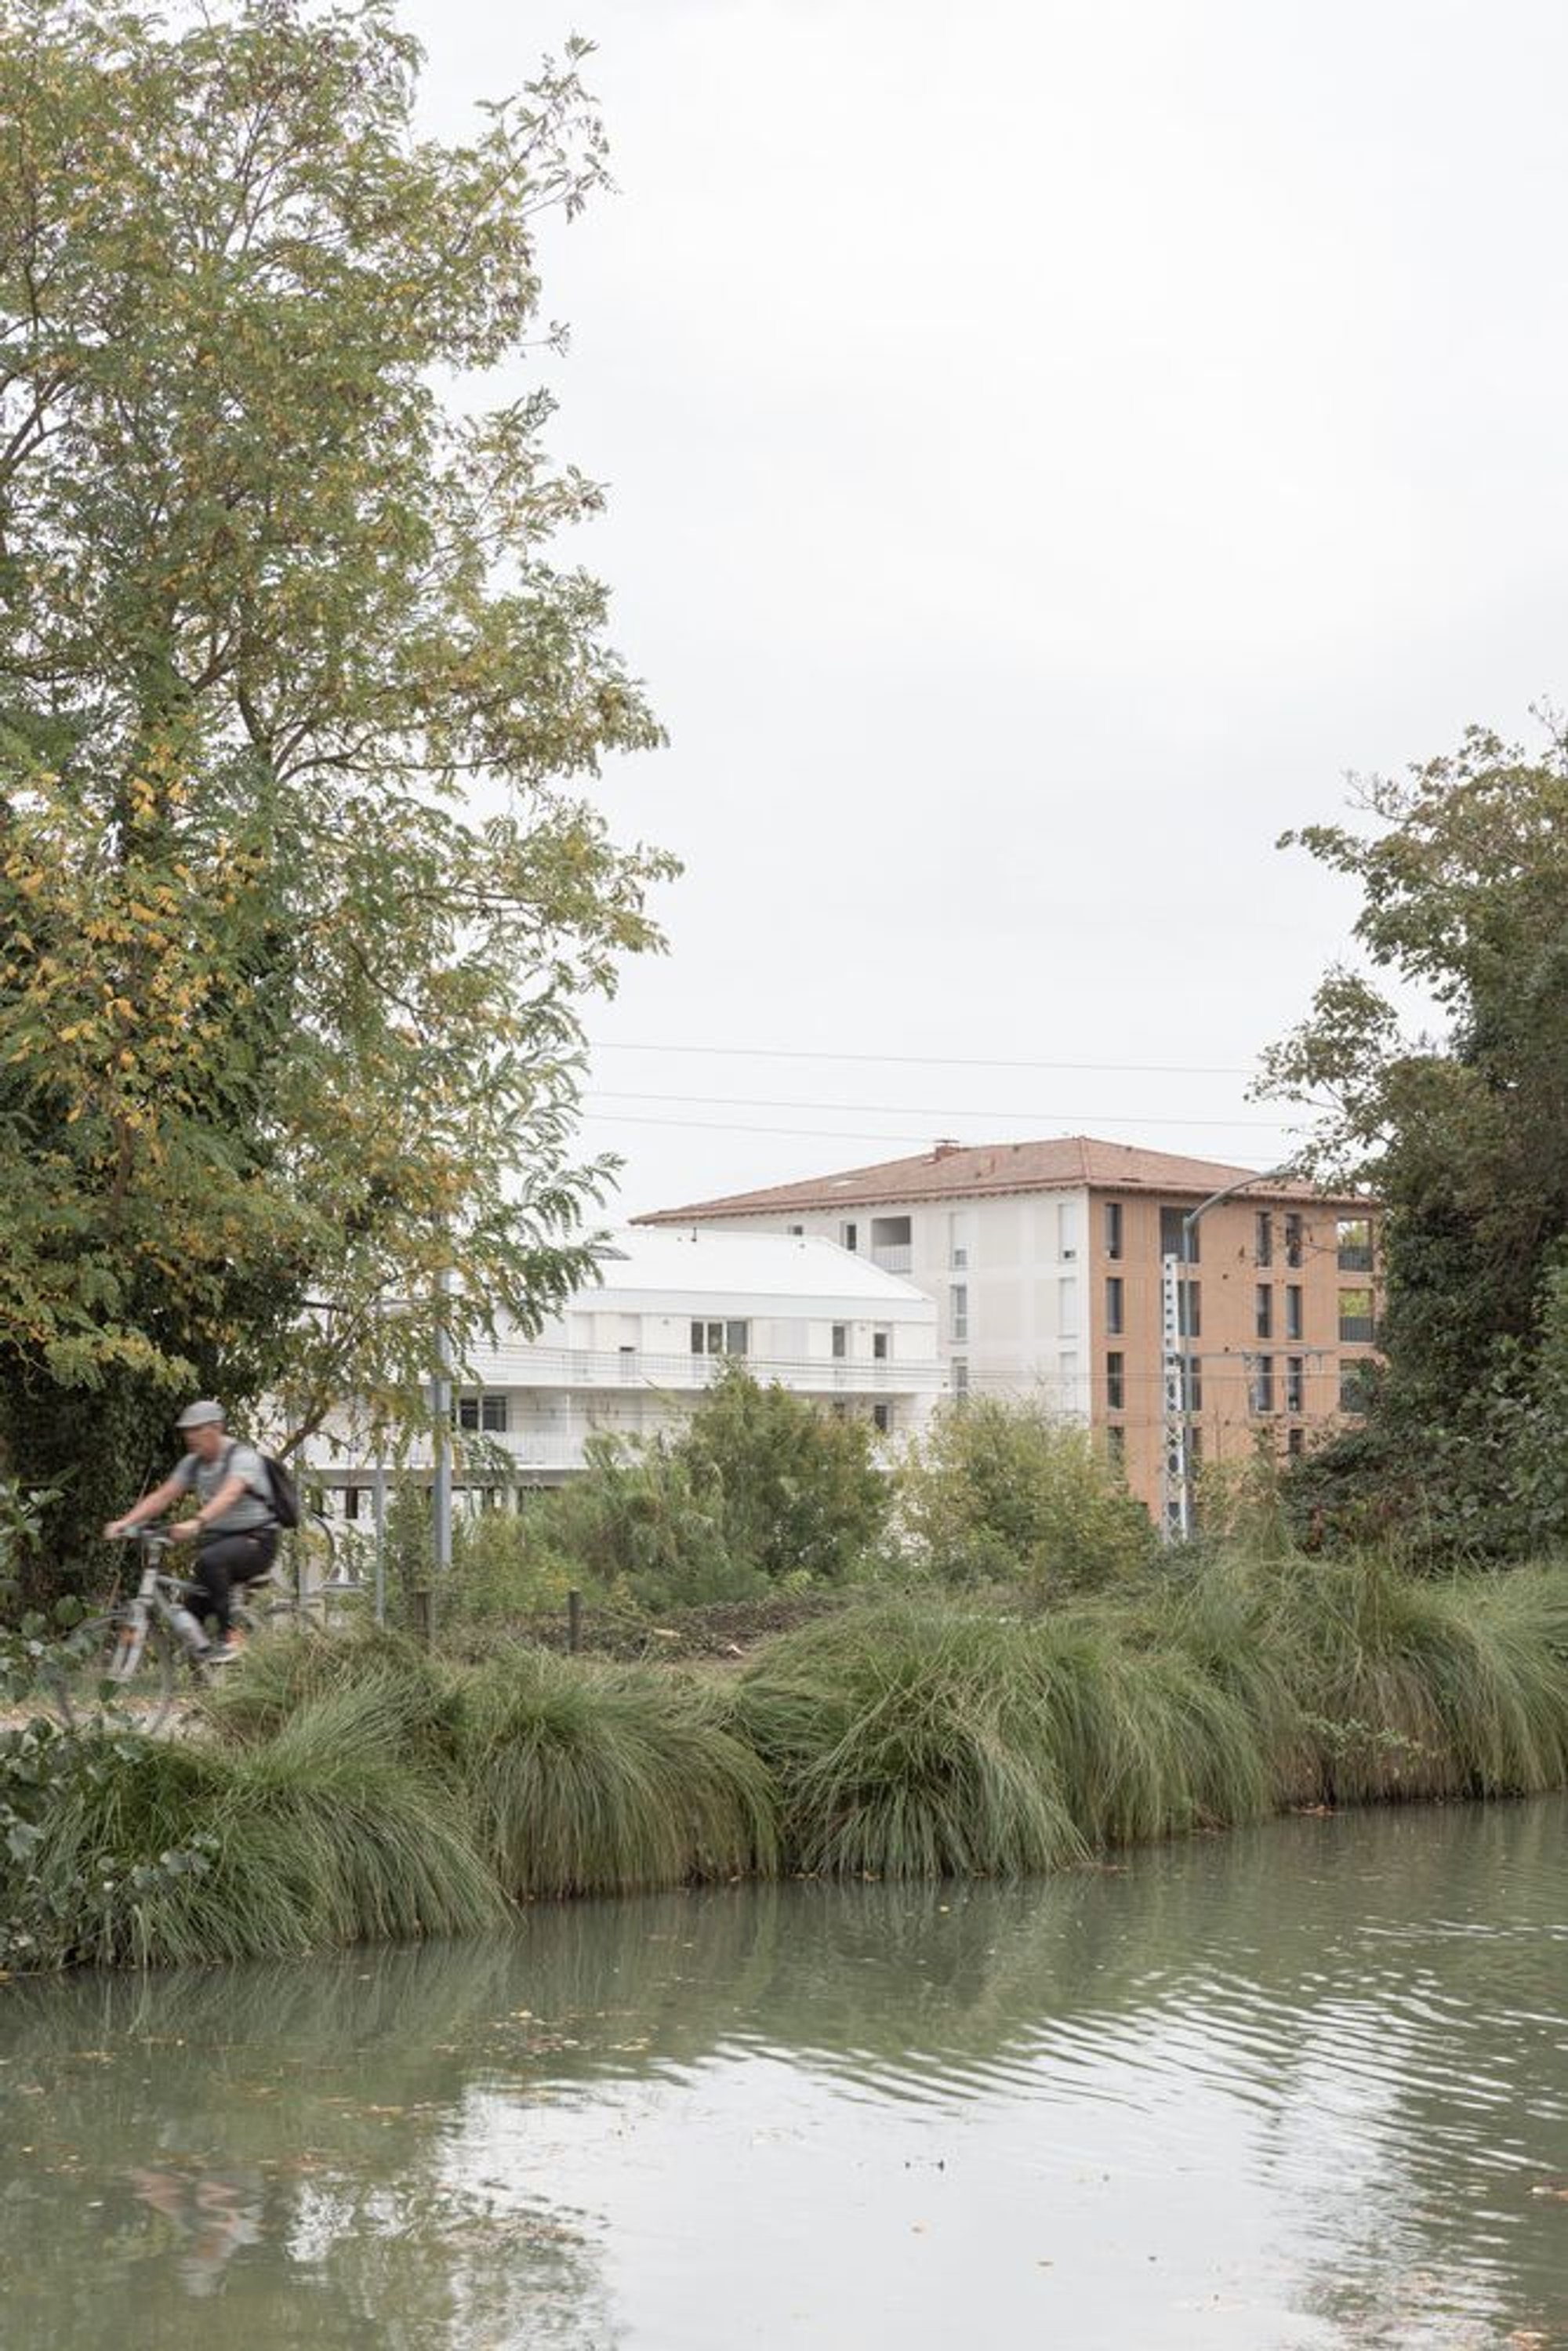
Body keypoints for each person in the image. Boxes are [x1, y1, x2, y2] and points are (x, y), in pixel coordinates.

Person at [105, 1400, 279, 1657]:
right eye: (187, 1430)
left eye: (197, 1429)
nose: (190, 1436)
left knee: (211, 1560)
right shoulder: (193, 1463)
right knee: (191, 1619)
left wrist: (197, 1522)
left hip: (257, 1540)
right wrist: (125, 1522)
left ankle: (232, 1636)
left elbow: (230, 1494)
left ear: (217, 1428)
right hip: (220, 1542)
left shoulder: (242, 1457)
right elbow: (163, 1496)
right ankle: (205, 1673)